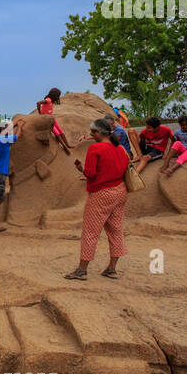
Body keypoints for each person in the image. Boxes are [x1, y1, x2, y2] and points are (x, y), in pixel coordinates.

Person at [66, 117, 131, 280]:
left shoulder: (95, 149)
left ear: (98, 132)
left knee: (90, 232)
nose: (91, 135)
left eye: (92, 132)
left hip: (101, 193)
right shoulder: (121, 149)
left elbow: (91, 174)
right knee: (116, 230)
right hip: (120, 191)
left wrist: (80, 168)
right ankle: (112, 268)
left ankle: (82, 270)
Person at [36, 88, 74, 155]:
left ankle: (68, 145)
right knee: (57, 133)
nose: (59, 97)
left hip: (52, 118)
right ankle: (65, 148)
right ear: (55, 95)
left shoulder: (51, 101)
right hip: (47, 120)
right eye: (58, 95)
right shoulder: (48, 100)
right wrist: (40, 113)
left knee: (61, 132)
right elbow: (38, 103)